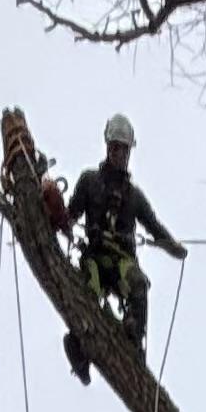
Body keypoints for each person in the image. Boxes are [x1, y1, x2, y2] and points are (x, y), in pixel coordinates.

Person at [60, 116, 186, 382]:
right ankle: (78, 347)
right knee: (88, 294)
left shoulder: (134, 197)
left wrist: (174, 248)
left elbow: (154, 227)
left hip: (121, 263)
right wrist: (58, 217)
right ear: (108, 147)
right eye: (116, 147)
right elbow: (70, 215)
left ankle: (133, 341)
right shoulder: (89, 181)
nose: (119, 153)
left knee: (138, 285)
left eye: (124, 149)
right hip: (94, 257)